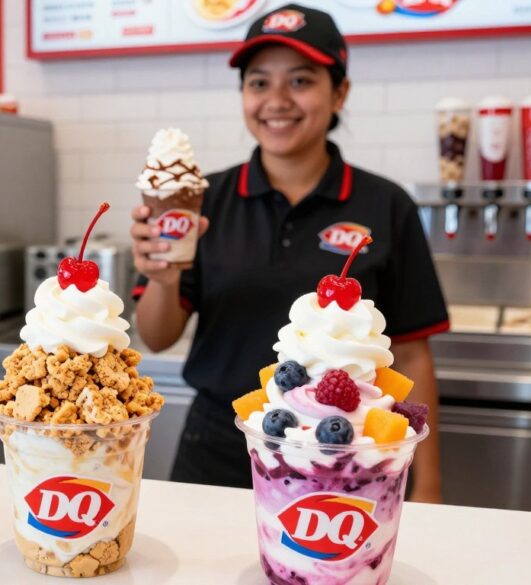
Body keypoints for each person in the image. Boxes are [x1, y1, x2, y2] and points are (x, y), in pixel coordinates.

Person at [130, 4, 447, 502]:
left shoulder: (386, 205)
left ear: (339, 92)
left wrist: (426, 484)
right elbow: (156, 335)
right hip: (218, 447)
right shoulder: (203, 199)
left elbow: (411, 353)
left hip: (346, 453)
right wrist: (163, 278)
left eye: (300, 81)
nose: (276, 101)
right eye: (258, 83)